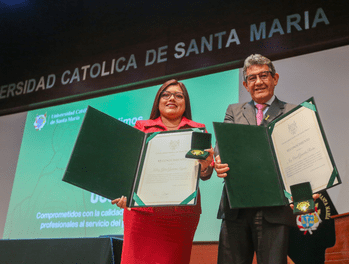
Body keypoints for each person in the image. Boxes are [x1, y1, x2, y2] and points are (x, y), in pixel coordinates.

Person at [214, 54, 306, 264]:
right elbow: (222, 147)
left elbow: (302, 157)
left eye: (263, 75)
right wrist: (217, 161)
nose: (258, 82)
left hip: (275, 209)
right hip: (235, 208)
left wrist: (306, 196)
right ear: (246, 85)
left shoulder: (293, 112)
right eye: (252, 78)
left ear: (275, 78)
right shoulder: (234, 111)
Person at [111, 79, 214, 264]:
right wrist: (123, 192)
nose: (171, 98)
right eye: (165, 95)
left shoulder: (197, 129)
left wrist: (206, 166)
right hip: (142, 214)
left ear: (185, 102)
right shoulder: (142, 127)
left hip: (181, 216)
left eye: (178, 95)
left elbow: (204, 174)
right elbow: (129, 167)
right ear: (158, 101)